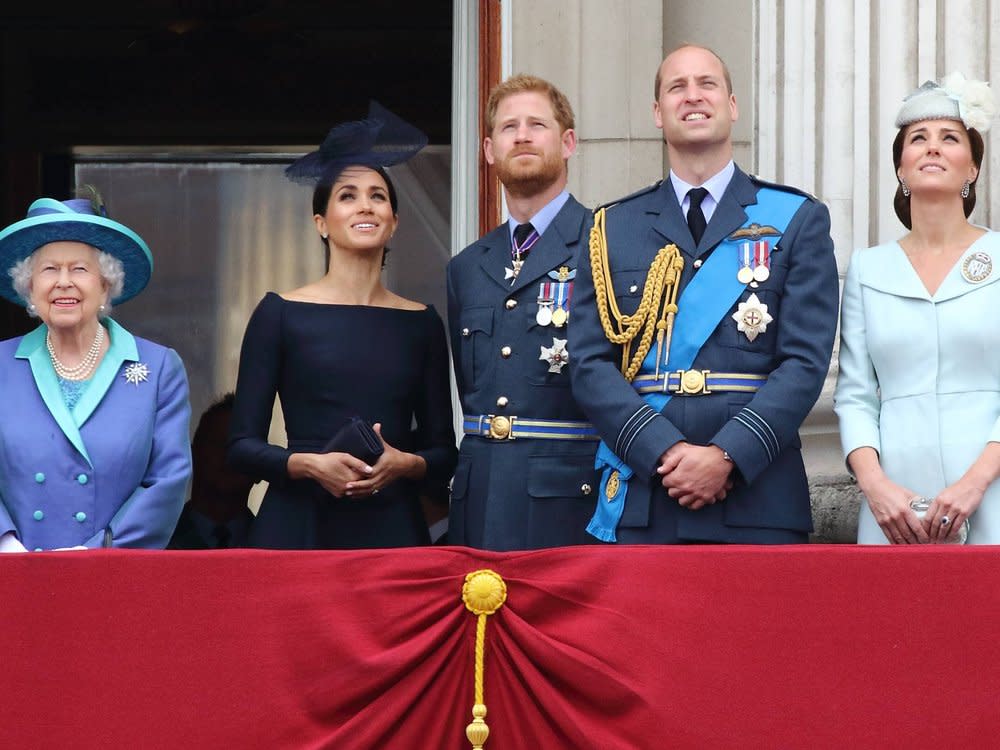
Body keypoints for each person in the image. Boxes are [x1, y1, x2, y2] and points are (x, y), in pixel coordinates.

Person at [570, 44, 839, 544]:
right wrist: (663, 452)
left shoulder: (796, 218)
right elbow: (588, 365)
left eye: (707, 83)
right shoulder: (611, 227)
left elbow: (804, 363)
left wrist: (727, 456)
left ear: (732, 105)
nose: (692, 96)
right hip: (647, 496)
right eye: (677, 87)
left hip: (757, 497)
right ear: (657, 113)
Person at [227, 101, 457, 549]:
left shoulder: (422, 322)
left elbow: (443, 454)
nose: (364, 206)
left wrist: (403, 464)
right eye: (347, 195)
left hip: (391, 529)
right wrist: (310, 464)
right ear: (322, 223)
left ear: (393, 222)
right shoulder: (279, 313)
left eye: (378, 195)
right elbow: (240, 448)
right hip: (298, 527)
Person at [835, 72, 999, 545]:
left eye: (949, 138)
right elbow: (855, 395)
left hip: (991, 487)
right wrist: (876, 487)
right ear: (902, 169)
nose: (932, 148)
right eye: (917, 139)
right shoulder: (868, 268)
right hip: (895, 504)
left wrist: (974, 483)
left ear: (971, 169)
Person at [446, 74, 601, 550]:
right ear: (490, 150)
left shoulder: (606, 244)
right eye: (510, 127)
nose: (524, 135)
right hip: (480, 495)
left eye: (538, 124)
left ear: (568, 142)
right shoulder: (467, 266)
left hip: (568, 498)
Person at [0, 187, 192, 552]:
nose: (63, 282)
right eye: (49, 270)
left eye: (80, 269)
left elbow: (168, 480)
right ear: (30, 287)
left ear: (105, 286)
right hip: (12, 573)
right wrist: (5, 544)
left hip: (112, 575)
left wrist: (96, 552)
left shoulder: (158, 368)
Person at [169, 393, 255, 549]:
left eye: (240, 449)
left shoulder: (276, 545)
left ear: (261, 467)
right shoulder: (157, 541)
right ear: (193, 453)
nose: (228, 456)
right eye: (217, 444)